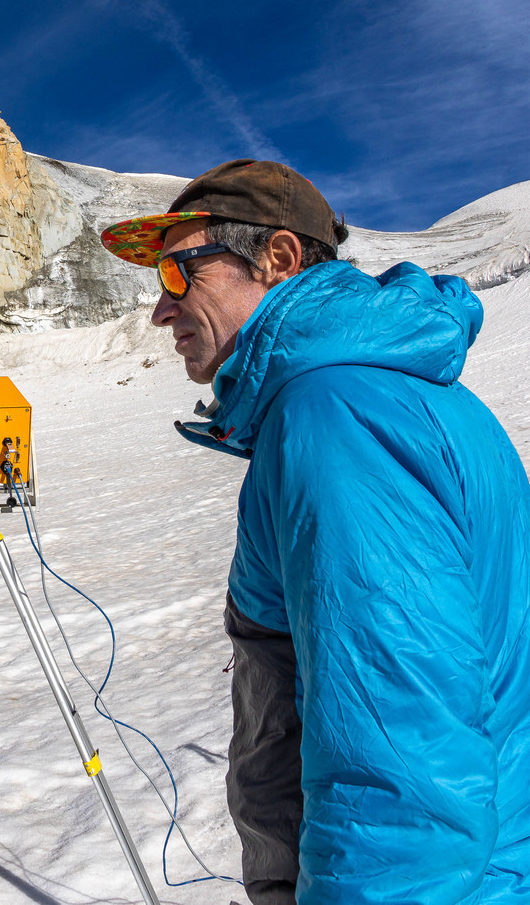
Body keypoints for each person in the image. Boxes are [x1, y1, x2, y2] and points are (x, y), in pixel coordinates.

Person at [100, 160, 530, 903]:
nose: (161, 311)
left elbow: (399, 768)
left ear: (279, 257)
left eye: (178, 273)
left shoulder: (337, 414)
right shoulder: (390, 389)